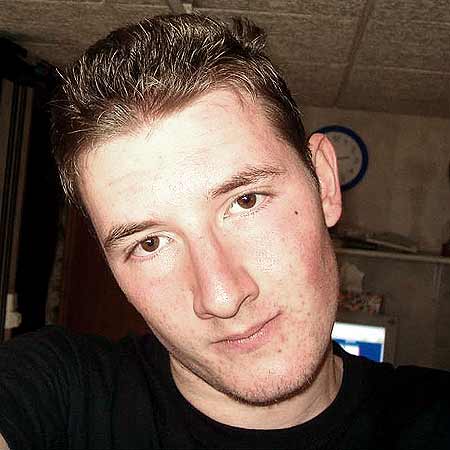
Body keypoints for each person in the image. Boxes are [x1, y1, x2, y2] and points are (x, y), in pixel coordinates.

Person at [0, 13, 449, 450]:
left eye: (245, 201)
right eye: (150, 243)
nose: (221, 297)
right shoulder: (55, 392)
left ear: (324, 184)